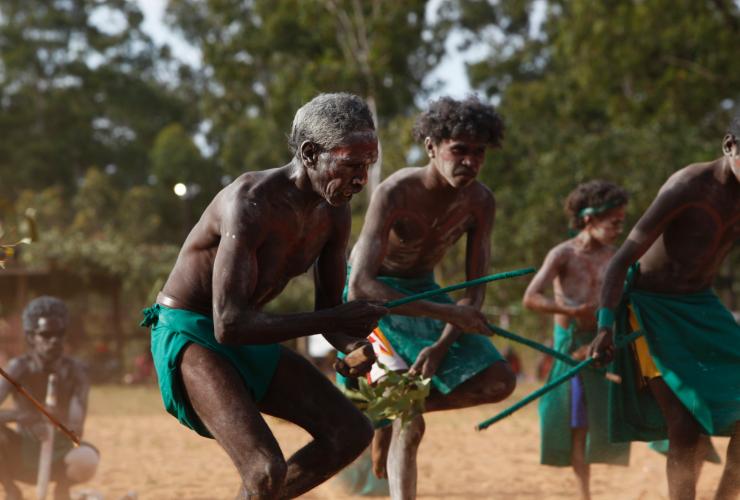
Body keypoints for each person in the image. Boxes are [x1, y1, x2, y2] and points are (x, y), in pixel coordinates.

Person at [139, 93, 387, 499]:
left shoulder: (334, 209)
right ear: (310, 154)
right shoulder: (250, 201)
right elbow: (229, 324)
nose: (361, 179)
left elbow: (328, 309)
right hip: (192, 332)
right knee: (264, 469)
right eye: (351, 165)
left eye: (367, 165)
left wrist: (352, 345)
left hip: (248, 331)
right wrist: (337, 321)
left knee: (350, 432)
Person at [345, 95, 516, 499]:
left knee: (500, 381)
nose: (470, 162)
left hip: (425, 294)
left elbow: (475, 292)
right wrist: (447, 313)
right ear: (432, 147)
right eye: (460, 150)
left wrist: (442, 345)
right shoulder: (395, 192)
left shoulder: (480, 201)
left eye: (479, 153)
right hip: (374, 303)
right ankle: (394, 413)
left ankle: (386, 413)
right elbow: (360, 286)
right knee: (411, 418)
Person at [589, 115, 740, 500]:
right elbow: (621, 260)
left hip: (703, 308)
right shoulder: (689, 185)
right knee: (685, 428)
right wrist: (605, 325)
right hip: (652, 309)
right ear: (729, 145)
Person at [523, 180, 630, 500]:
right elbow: (531, 297)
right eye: (613, 223)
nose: (618, 230)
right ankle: (584, 494)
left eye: (621, 223)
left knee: (605, 418)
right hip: (568, 346)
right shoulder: (562, 254)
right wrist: (570, 309)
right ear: (589, 220)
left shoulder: (616, 257)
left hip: (602, 344)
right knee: (576, 426)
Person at [0, 296, 99, 500]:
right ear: (30, 337)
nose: (54, 340)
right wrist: (23, 416)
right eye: (45, 335)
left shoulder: (76, 372)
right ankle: (11, 489)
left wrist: (57, 420)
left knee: (87, 458)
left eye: (59, 334)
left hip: (59, 457)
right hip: (20, 455)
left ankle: (62, 488)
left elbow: (76, 427)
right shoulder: (18, 368)